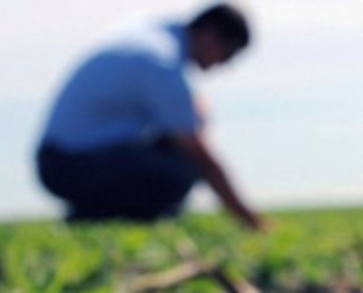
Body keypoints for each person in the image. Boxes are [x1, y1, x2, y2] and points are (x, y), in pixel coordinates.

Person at [36, 3, 263, 230]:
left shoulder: (156, 37)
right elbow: (202, 156)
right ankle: (91, 218)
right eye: (229, 53)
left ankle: (92, 215)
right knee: (181, 168)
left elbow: (189, 109)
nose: (223, 64)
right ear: (210, 35)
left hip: (63, 158)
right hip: (69, 163)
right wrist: (248, 218)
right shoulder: (162, 62)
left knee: (174, 155)